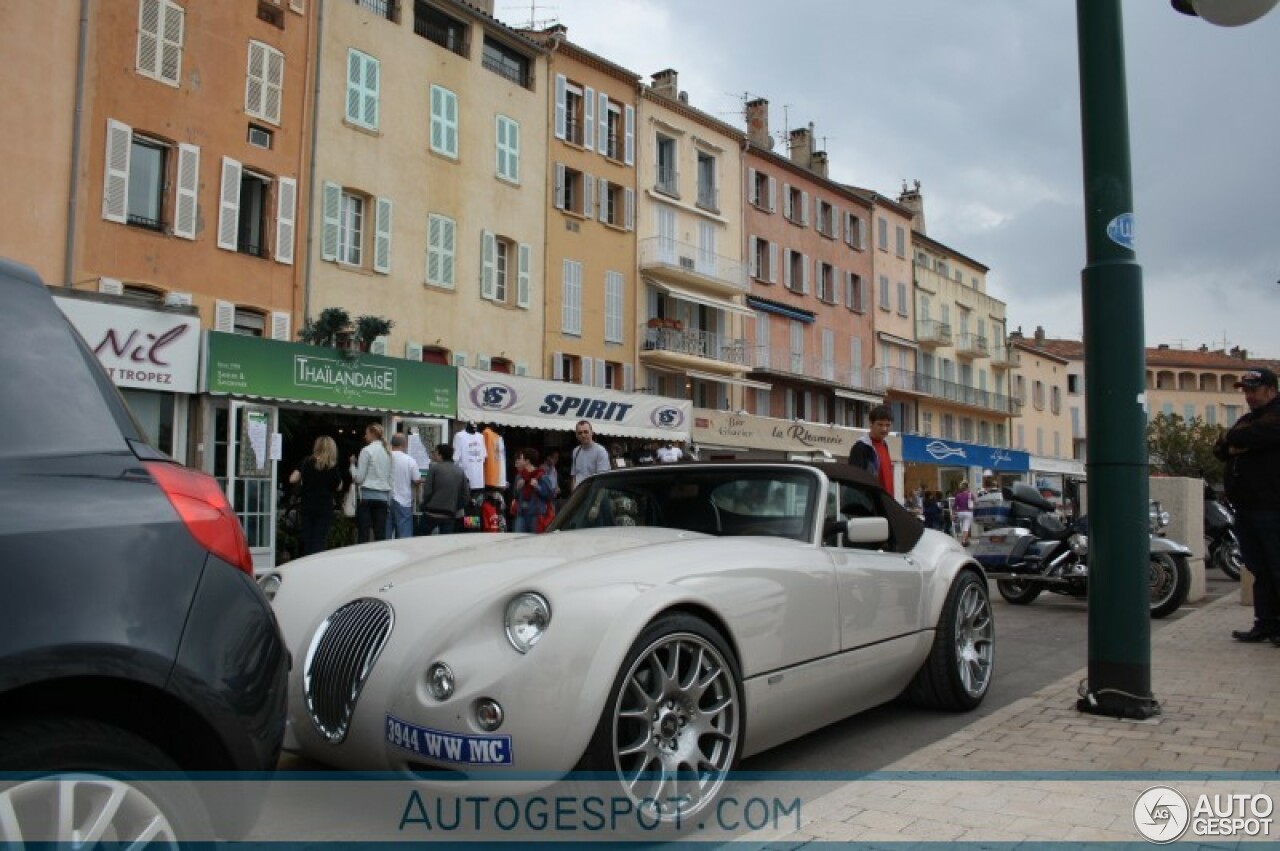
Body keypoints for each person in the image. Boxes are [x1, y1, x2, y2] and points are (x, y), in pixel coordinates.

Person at [1213, 368, 1280, 643]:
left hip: (1273, 507)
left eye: (1254, 390)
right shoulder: (1248, 420)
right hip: (1247, 508)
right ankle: (1266, 623)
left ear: (1271, 389)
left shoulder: (1275, 416)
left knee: (1277, 567)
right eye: (1246, 391)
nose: (1249, 396)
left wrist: (1236, 440)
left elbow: (1253, 436)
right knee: (1259, 569)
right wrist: (1233, 442)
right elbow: (1219, 448)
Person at [289, 436, 343, 556]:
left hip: (307, 505)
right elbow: (339, 486)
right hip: (324, 507)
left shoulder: (306, 462)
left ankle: (306, 563)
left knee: (307, 539)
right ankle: (315, 565)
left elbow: (292, 479)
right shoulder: (332, 466)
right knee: (319, 540)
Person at [349, 422, 393, 543]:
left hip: (367, 497)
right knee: (380, 534)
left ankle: (363, 559)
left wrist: (352, 465)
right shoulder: (388, 452)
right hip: (383, 498)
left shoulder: (366, 451)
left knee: (363, 534)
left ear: (373, 433)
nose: (365, 436)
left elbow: (359, 478)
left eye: (366, 433)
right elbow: (391, 478)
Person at [420, 444, 470, 535]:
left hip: (431, 513)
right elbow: (466, 495)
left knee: (421, 538)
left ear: (440, 454)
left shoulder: (434, 469)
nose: (433, 454)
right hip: (449, 514)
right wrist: (455, 507)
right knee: (446, 541)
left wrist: (424, 505)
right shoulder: (460, 471)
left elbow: (427, 491)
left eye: (435, 452)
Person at [848, 405, 895, 497]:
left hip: (885, 502)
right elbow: (855, 480)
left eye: (887, 425)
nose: (884, 429)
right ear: (871, 423)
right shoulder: (861, 447)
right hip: (870, 504)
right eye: (880, 424)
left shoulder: (884, 445)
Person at [510, 448, 555, 534]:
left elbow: (550, 494)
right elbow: (515, 496)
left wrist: (537, 487)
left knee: (535, 540)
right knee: (517, 538)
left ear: (527, 461)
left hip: (536, 514)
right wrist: (518, 489)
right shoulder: (519, 476)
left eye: (522, 458)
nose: (520, 460)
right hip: (521, 514)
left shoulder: (541, 475)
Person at [387, 432, 421, 539]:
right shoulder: (410, 460)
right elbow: (416, 480)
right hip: (403, 500)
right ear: (405, 444)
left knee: (385, 534)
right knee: (404, 536)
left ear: (391, 443)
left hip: (386, 499)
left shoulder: (385, 458)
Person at [569, 420, 610, 492]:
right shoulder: (576, 451)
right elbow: (574, 476)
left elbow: (602, 480)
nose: (583, 435)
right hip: (579, 494)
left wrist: (595, 502)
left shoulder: (600, 451)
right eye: (580, 433)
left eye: (586, 432)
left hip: (594, 494)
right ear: (576, 435)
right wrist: (573, 495)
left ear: (592, 433)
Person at [954, 480, 975, 546]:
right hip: (968, 512)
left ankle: (966, 540)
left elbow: (955, 505)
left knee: (964, 526)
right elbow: (975, 502)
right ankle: (963, 541)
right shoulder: (970, 495)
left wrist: (953, 514)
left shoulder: (958, 495)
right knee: (966, 527)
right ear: (967, 487)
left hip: (960, 513)